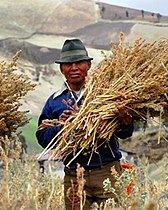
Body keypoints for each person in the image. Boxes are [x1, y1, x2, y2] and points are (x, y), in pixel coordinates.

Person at [36, 39, 134, 209]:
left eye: (79, 62)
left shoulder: (105, 95)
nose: (74, 68)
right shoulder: (54, 102)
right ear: (61, 69)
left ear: (88, 65)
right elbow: (42, 137)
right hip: (74, 175)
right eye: (68, 64)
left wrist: (125, 120)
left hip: (108, 171)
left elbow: (125, 133)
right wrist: (62, 127)